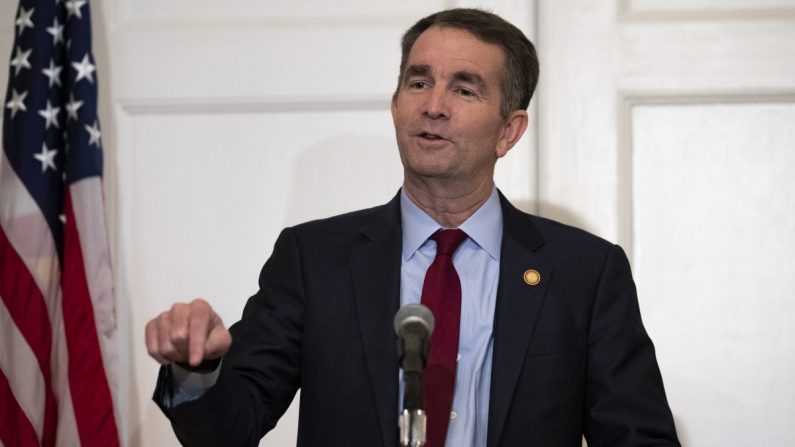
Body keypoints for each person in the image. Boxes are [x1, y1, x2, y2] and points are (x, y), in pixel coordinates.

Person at [146, 8, 680, 447]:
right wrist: (200, 369)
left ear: (509, 131)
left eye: (465, 90)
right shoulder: (315, 260)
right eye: (418, 82)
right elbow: (227, 430)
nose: (433, 106)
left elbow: (638, 437)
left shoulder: (583, 272)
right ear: (396, 105)